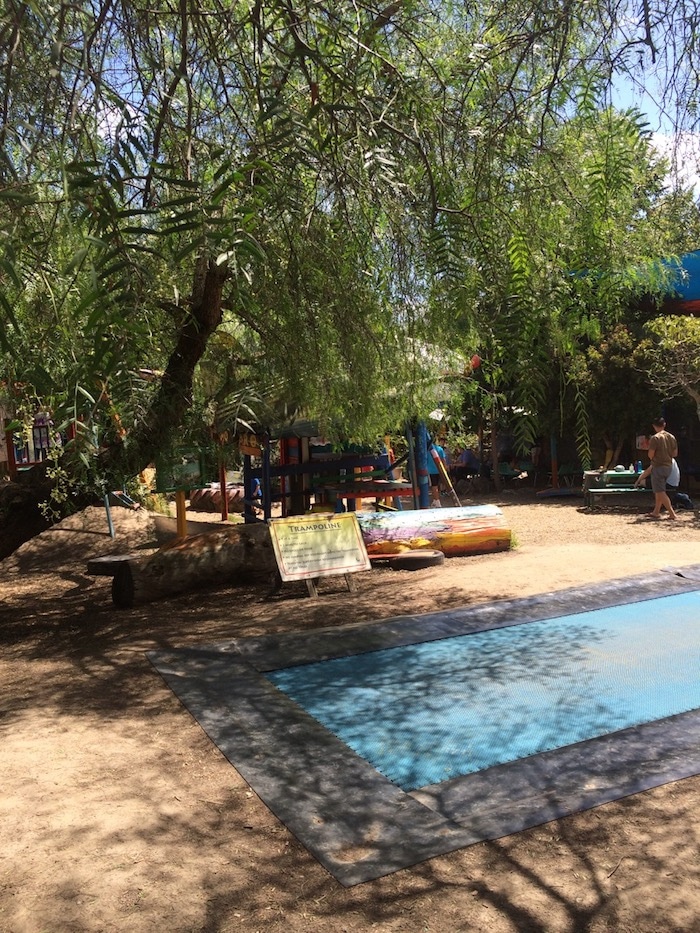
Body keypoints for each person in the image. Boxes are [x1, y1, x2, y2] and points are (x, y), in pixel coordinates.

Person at [644, 418, 679, 520]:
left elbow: (651, 454)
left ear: (654, 426)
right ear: (664, 424)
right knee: (659, 489)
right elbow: (675, 453)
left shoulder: (655, 438)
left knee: (660, 491)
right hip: (668, 466)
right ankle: (656, 511)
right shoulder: (671, 437)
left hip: (658, 466)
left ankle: (672, 513)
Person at [427, 437, 447, 507]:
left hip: (430, 470)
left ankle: (437, 500)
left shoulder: (427, 450)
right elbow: (443, 459)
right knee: (437, 485)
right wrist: (444, 468)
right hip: (439, 469)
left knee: (434, 486)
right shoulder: (440, 449)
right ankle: (435, 500)